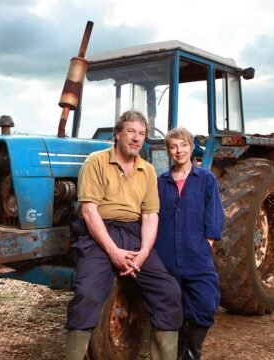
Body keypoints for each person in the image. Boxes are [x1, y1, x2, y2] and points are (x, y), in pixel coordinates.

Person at [65, 110, 183, 360]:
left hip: (134, 234)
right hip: (99, 233)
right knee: (87, 292)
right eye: (131, 131)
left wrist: (142, 255)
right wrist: (113, 252)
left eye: (141, 134)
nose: (136, 138)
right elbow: (89, 211)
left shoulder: (148, 170)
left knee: (168, 291)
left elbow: (151, 216)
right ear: (117, 134)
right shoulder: (95, 162)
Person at [155, 127, 224, 360]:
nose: (179, 150)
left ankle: (192, 353)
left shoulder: (205, 179)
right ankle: (177, 350)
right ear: (168, 151)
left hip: (197, 254)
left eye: (183, 145)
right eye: (173, 146)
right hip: (166, 256)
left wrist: (205, 245)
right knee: (174, 308)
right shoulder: (160, 183)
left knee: (205, 302)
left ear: (191, 147)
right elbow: (152, 217)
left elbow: (214, 216)